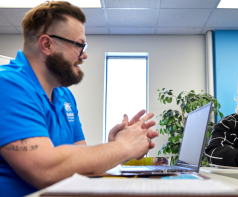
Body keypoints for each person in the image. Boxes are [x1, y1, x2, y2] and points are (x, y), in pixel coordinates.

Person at [0, 1, 158, 196]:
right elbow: (45, 169)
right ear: (47, 44)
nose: (84, 55)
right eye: (79, 45)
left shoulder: (64, 96)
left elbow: (79, 164)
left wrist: (113, 147)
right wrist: (123, 147)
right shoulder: (7, 84)